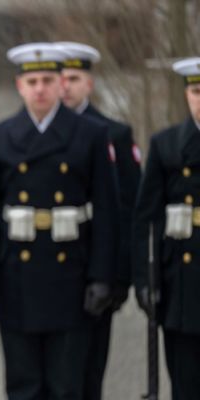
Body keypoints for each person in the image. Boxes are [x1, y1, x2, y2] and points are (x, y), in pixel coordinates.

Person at [0, 42, 118, 399]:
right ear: (20, 86)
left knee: (66, 385)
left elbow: (108, 211)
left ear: (60, 85)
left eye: (48, 80)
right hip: (16, 278)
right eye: (32, 80)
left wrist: (102, 276)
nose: (40, 88)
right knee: (23, 385)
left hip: (71, 277)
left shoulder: (91, 135)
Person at [57, 41, 142, 400]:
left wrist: (120, 277)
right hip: (44, 275)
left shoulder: (113, 134)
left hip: (95, 273)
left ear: (89, 84)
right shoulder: (23, 134)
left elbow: (127, 211)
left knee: (88, 379)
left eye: (74, 78)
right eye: (58, 77)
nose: (65, 85)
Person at [132, 57, 200, 400]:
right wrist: (145, 280)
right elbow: (145, 217)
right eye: (196, 91)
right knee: (186, 387)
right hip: (183, 287)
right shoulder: (168, 145)